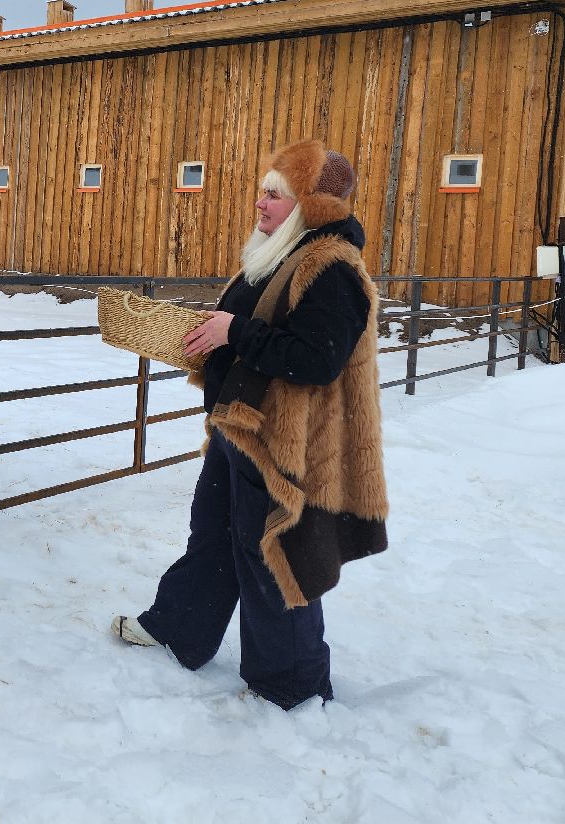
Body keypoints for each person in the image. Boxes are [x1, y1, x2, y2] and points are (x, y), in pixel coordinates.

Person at [112, 139, 388, 710]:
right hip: (239, 428)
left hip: (282, 444)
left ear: (310, 207)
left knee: (274, 557)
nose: (260, 203)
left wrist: (233, 332)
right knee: (212, 534)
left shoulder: (332, 268)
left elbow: (318, 359)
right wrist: (212, 336)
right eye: (263, 191)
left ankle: (292, 685)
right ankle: (179, 628)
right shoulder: (277, 255)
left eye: (275, 195)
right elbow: (253, 330)